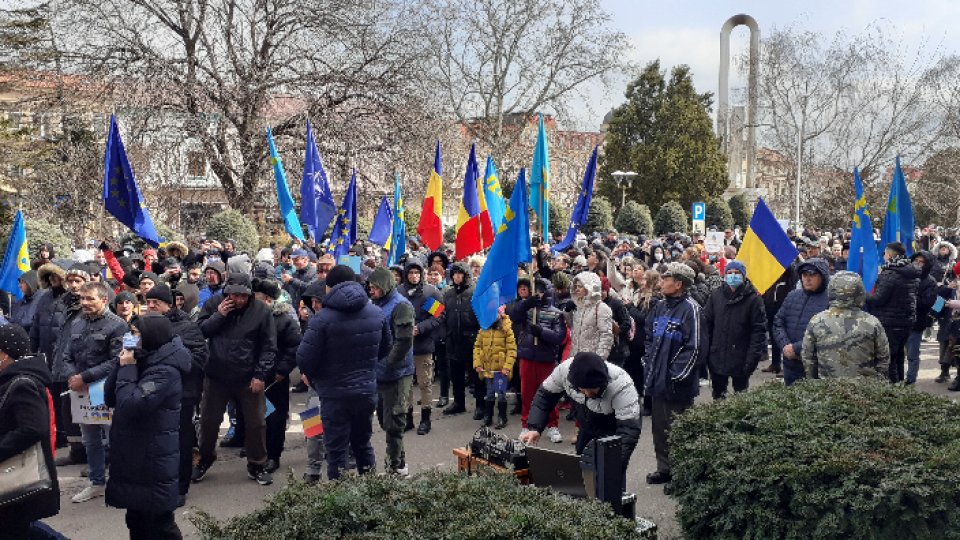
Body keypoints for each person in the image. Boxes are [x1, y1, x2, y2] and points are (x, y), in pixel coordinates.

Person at [296, 265, 391, 480]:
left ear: (329, 288)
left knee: (336, 451)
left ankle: (340, 503)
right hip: (366, 390)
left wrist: (315, 376)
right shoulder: (376, 313)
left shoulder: (322, 318)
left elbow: (304, 358)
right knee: (363, 444)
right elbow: (386, 347)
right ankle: (373, 493)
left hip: (333, 393)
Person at [105, 314, 190, 539]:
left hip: (153, 457)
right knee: (136, 521)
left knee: (160, 524)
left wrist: (127, 369)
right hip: (134, 456)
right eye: (130, 333)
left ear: (152, 336)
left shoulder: (165, 370)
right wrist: (121, 362)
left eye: (136, 334)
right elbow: (109, 397)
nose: (131, 338)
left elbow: (130, 405)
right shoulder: (140, 359)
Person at [193, 273, 277, 486]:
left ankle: (257, 463)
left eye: (242, 296)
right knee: (209, 422)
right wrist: (218, 316)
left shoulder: (261, 311)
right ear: (226, 293)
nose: (238, 300)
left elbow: (269, 347)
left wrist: (260, 375)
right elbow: (199, 331)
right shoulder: (214, 303)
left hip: (248, 377)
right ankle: (204, 459)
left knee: (256, 423)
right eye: (233, 295)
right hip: (216, 375)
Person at [520, 351, 641, 489]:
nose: (588, 394)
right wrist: (535, 428)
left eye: (594, 390)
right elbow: (544, 396)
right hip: (586, 425)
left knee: (609, 480)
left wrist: (612, 465)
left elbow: (629, 432)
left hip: (613, 429)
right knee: (581, 474)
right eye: (583, 390)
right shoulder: (564, 371)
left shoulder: (622, 385)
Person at [63, 281, 128, 503]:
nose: (84, 303)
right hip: (80, 390)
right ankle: (96, 482)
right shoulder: (77, 322)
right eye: (82, 298)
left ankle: (121, 481)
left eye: (90, 299)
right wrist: (74, 377)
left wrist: (86, 377)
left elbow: (116, 361)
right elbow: (66, 355)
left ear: (104, 300)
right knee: (90, 440)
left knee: (114, 437)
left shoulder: (117, 325)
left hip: (105, 389)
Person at [145, 284, 208, 507]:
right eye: (148, 302)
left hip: (182, 393)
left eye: (156, 303)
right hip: (151, 394)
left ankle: (181, 486)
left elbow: (198, 359)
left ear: (168, 305)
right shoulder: (140, 326)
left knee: (180, 442)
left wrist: (164, 358)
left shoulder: (187, 327)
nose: (151, 306)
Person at [641, 262, 702, 494]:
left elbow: (694, 348)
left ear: (678, 284)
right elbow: (649, 335)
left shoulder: (691, 309)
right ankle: (664, 468)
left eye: (666, 279)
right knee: (660, 428)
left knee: (679, 430)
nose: (662, 281)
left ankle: (682, 475)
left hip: (678, 384)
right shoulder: (659, 307)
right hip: (657, 381)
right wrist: (648, 363)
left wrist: (676, 375)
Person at [0, 323, 61, 539]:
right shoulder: (12, 379)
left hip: (16, 473)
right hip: (12, 473)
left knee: (17, 528)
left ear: (5, 354)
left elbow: (33, 428)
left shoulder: (22, 383)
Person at [367, 267, 415, 476]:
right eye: (370, 287)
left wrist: (388, 363)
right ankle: (400, 464)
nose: (371, 291)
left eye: (375, 287)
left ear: (385, 286)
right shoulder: (376, 304)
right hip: (380, 372)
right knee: (385, 422)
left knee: (394, 423)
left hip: (397, 373)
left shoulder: (401, 306)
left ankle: (394, 467)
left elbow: (403, 342)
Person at [252, 279, 302, 473]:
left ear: (266, 299)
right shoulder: (250, 317)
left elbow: (295, 347)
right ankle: (257, 451)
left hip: (275, 378)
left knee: (274, 418)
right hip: (253, 376)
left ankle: (273, 455)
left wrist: (282, 370)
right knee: (255, 417)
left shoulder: (284, 320)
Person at [802, 272, 890, 380]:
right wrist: (877, 384)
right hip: (865, 391)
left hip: (826, 391)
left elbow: (808, 358)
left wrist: (814, 383)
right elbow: (883, 359)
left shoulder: (817, 321)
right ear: (860, 292)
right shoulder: (872, 323)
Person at [702, 261, 767, 400]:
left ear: (743, 276)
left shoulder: (753, 299)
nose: (733, 276)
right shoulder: (716, 295)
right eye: (730, 273)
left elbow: (758, 331)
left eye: (737, 273)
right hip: (717, 356)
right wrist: (706, 352)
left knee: (741, 397)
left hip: (741, 357)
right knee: (718, 395)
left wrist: (752, 358)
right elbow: (707, 325)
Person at [511, 277, 567, 441]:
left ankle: (552, 425)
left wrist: (541, 332)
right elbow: (514, 316)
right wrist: (525, 304)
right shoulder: (528, 310)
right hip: (527, 357)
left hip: (546, 359)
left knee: (549, 392)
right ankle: (526, 425)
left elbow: (559, 337)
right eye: (536, 290)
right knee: (527, 393)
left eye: (541, 290)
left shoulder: (556, 313)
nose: (538, 293)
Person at [400, 259, 444, 435]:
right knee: (406, 384)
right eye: (410, 273)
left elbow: (438, 317)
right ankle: (408, 418)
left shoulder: (428, 293)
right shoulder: (399, 293)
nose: (414, 276)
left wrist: (420, 328)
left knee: (425, 383)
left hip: (423, 345)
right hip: (403, 346)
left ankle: (425, 419)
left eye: (417, 273)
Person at [866, 242, 920, 383]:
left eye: (885, 253)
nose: (883, 256)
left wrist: (864, 295)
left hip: (889, 322)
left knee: (889, 359)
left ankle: (893, 389)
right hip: (907, 321)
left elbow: (878, 299)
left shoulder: (889, 273)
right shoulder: (911, 271)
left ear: (889, 255)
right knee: (899, 357)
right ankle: (901, 385)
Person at [773, 258, 831, 385]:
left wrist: (796, 348)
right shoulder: (793, 295)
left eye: (812, 275)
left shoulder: (831, 300)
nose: (807, 279)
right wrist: (785, 346)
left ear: (823, 276)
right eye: (804, 275)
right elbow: (778, 322)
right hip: (790, 364)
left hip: (814, 366)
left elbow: (826, 333)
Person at [441, 263, 482, 418]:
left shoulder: (475, 293)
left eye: (460, 274)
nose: (457, 277)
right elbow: (441, 314)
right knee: (456, 375)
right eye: (454, 274)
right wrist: (444, 333)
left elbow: (481, 316)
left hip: (472, 340)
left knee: (476, 376)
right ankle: (459, 403)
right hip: (453, 339)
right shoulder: (448, 294)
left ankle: (480, 405)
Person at [473, 306, 516, 429]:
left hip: (501, 370)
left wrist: (507, 367)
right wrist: (478, 363)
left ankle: (502, 416)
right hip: (487, 368)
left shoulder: (507, 330)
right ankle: (488, 416)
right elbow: (477, 346)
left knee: (501, 394)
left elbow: (511, 350)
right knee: (489, 393)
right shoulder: (483, 329)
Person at [567, 272, 614, 362]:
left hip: (592, 360)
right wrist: (567, 311)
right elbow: (572, 329)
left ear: (589, 287)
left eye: (580, 286)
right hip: (575, 359)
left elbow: (606, 336)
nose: (577, 289)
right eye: (576, 286)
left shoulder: (601, 308)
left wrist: (599, 359)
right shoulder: (579, 307)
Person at [906, 251, 937, 385]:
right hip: (899, 320)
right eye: (915, 261)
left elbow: (927, 302)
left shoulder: (930, 282)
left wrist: (911, 295)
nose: (918, 264)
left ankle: (911, 380)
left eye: (921, 262)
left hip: (916, 321)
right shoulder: (905, 276)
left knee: (912, 354)